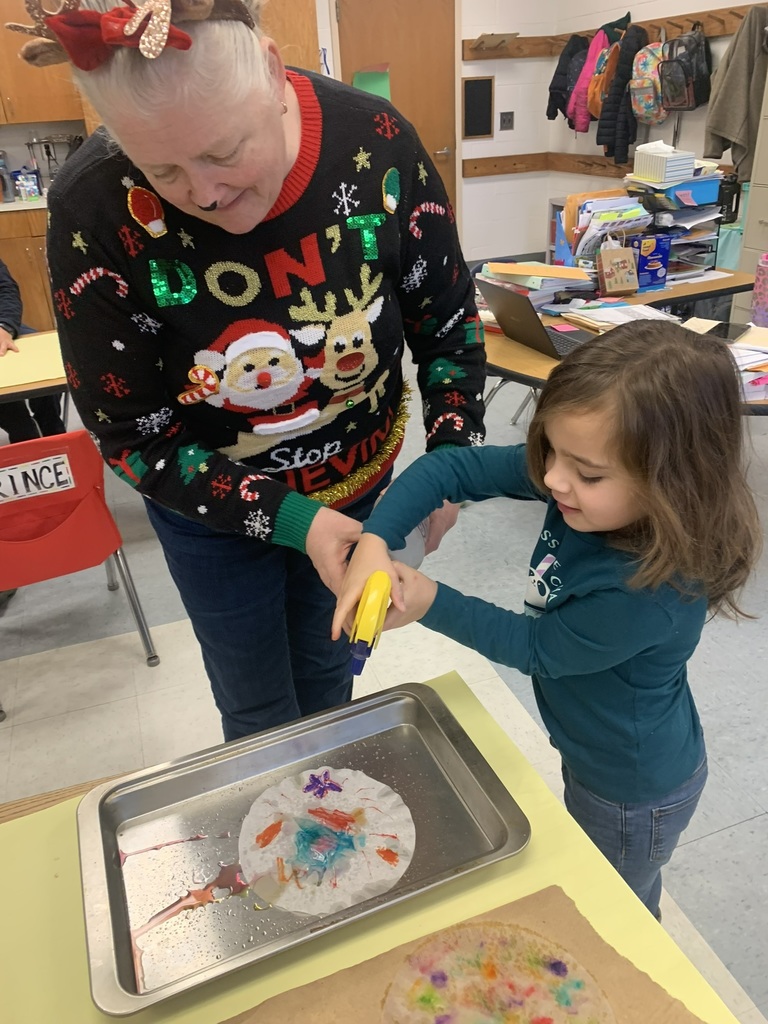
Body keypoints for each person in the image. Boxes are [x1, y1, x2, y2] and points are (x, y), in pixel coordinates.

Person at [10, 0, 486, 740]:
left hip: (364, 492)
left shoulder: (378, 140)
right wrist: (294, 520)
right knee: (257, 710)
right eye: (161, 168)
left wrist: (452, 459)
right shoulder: (94, 202)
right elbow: (134, 435)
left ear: (270, 68)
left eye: (225, 151)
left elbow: (448, 319)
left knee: (330, 676)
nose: (203, 193)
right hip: (212, 519)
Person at [334, 323, 761, 918]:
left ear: (673, 482)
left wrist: (432, 601)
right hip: (593, 752)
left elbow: (539, 648)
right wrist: (377, 540)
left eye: (586, 474)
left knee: (617, 907)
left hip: (631, 789)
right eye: (551, 452)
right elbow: (447, 472)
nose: (555, 479)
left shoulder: (651, 589)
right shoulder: (580, 480)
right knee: (605, 882)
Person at [0, 257, 67, 444]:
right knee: (10, 402)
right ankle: (23, 432)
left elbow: (6, 290)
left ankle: (50, 423)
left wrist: (5, 326)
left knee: (45, 355)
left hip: (3, 326)